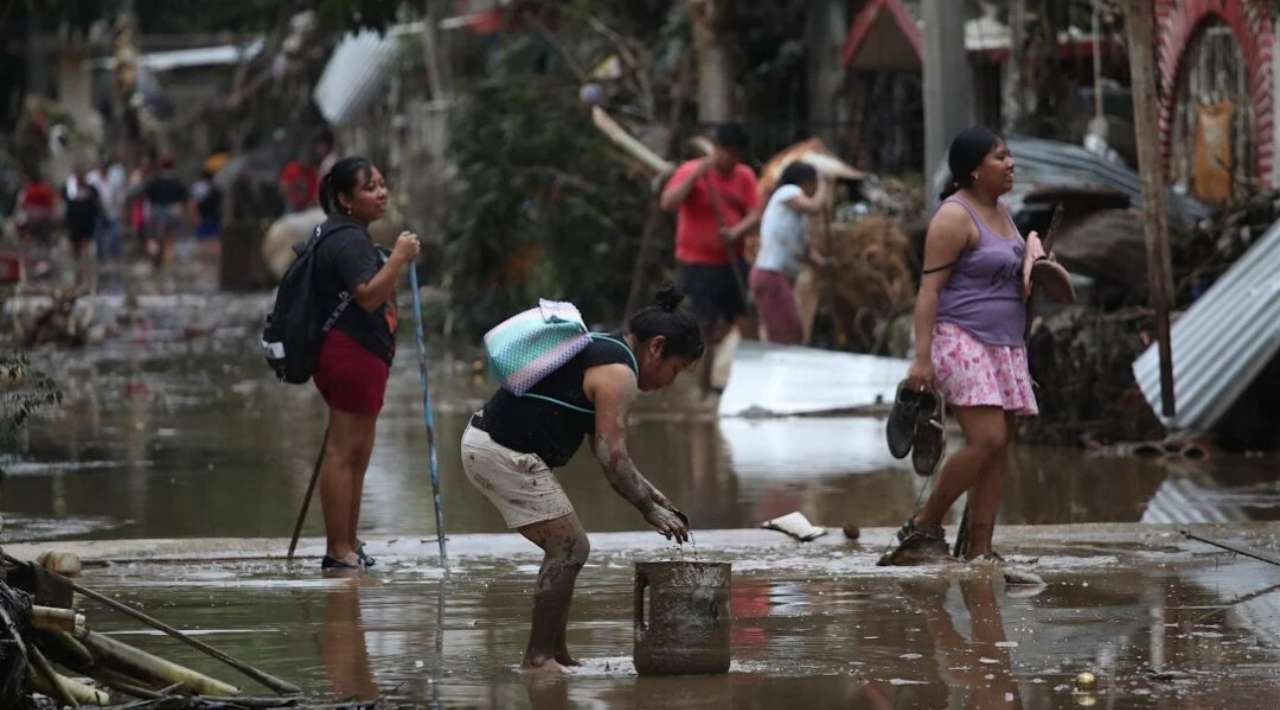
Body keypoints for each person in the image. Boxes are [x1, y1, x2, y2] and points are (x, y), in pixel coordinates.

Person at [461, 288, 701, 673]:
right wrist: (648, 510)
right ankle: (539, 659)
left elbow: (609, 453)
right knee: (570, 548)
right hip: (502, 453)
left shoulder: (604, 349)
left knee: (567, 548)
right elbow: (612, 458)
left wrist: (660, 502)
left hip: (492, 445)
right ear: (657, 347)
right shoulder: (619, 373)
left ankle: (557, 654)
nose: (670, 381)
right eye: (676, 369)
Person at [879, 126, 1044, 566]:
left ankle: (980, 549)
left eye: (1010, 156)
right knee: (986, 438)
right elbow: (929, 291)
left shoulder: (1005, 213)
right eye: (1000, 157)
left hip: (1005, 344)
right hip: (960, 338)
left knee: (1000, 445)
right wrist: (920, 358)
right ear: (973, 170)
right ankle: (924, 527)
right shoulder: (953, 217)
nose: (1011, 164)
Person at [312, 156, 420, 570]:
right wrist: (400, 257)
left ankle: (348, 544)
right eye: (369, 187)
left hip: (363, 354)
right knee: (344, 451)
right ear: (345, 199)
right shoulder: (348, 241)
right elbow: (369, 295)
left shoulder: (347, 234)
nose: (381, 192)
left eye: (381, 183)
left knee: (358, 452)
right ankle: (338, 550)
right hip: (350, 353)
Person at [660, 123, 760, 388]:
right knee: (703, 324)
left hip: (732, 260)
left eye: (736, 155)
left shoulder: (744, 176)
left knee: (745, 319)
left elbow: (754, 213)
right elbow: (668, 203)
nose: (730, 160)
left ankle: (748, 383)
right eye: (726, 153)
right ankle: (701, 389)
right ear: (717, 150)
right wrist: (695, 176)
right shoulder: (691, 171)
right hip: (697, 264)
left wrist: (736, 231)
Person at [750, 161, 831, 345]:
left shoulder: (796, 217)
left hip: (777, 278)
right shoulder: (789, 192)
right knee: (788, 334)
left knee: (788, 333)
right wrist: (825, 185)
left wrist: (825, 263)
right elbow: (814, 207)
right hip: (771, 274)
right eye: (814, 184)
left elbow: (805, 251)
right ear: (806, 182)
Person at [143, 156, 193, 267]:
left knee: (153, 238)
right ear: (173, 167)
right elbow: (187, 201)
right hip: (174, 212)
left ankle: (154, 255)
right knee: (170, 242)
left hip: (156, 213)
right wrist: (190, 217)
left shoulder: (153, 183)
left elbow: (146, 199)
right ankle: (169, 266)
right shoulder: (179, 183)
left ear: (160, 167)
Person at [86, 153, 127, 259]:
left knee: (115, 235)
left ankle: (114, 256)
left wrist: (121, 207)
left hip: (112, 210)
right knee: (98, 236)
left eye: (105, 168)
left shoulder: (115, 177)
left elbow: (120, 193)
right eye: (101, 168)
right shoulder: (91, 178)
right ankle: (101, 258)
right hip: (97, 211)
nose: (103, 171)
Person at [62, 166, 102, 264]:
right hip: (74, 222)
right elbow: (65, 202)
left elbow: (96, 202)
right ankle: (78, 264)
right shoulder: (68, 188)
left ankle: (87, 263)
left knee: (87, 243)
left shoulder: (91, 189)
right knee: (76, 245)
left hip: (88, 221)